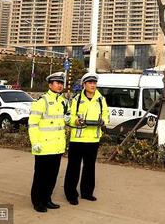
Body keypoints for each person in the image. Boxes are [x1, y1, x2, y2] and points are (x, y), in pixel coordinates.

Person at [64, 72, 109, 205]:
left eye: (94, 83)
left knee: (90, 168)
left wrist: (103, 121)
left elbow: (106, 114)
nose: (93, 85)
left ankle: (87, 193)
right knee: (73, 168)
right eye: (90, 83)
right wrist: (76, 121)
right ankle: (71, 194)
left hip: (93, 140)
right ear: (84, 85)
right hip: (77, 140)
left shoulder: (101, 99)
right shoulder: (76, 99)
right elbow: (69, 117)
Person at [28, 72, 69, 213]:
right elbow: (32, 124)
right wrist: (35, 143)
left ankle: (47, 199)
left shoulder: (63, 101)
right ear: (50, 85)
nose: (59, 86)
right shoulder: (42, 101)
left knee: (52, 177)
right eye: (57, 83)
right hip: (43, 147)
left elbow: (65, 119)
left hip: (57, 147)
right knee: (40, 176)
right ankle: (37, 201)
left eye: (61, 83)